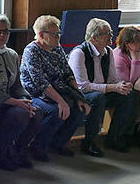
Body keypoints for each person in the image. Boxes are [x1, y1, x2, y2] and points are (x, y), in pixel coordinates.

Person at [20, 15, 91, 161]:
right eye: (55, 34)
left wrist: (79, 98)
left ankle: (57, 144)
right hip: (36, 95)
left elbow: (68, 74)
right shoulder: (31, 51)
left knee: (80, 110)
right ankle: (38, 147)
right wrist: (61, 102)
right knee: (56, 111)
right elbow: (41, 83)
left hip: (58, 91)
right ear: (41, 35)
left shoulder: (57, 49)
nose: (58, 37)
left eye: (59, 34)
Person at [0, 14, 41, 170]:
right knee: (19, 113)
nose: (2, 35)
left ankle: (19, 150)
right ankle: (1, 153)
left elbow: (17, 85)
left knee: (37, 112)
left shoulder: (11, 54)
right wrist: (18, 103)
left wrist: (26, 100)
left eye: (6, 31)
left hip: (10, 101)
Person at [68, 18, 138, 155]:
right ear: (94, 38)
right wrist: (112, 87)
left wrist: (121, 85)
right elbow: (83, 87)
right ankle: (89, 143)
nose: (111, 37)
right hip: (82, 94)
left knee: (129, 94)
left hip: (102, 90)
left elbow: (112, 79)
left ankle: (115, 138)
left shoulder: (109, 52)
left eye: (111, 33)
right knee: (98, 98)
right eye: (107, 34)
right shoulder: (79, 53)